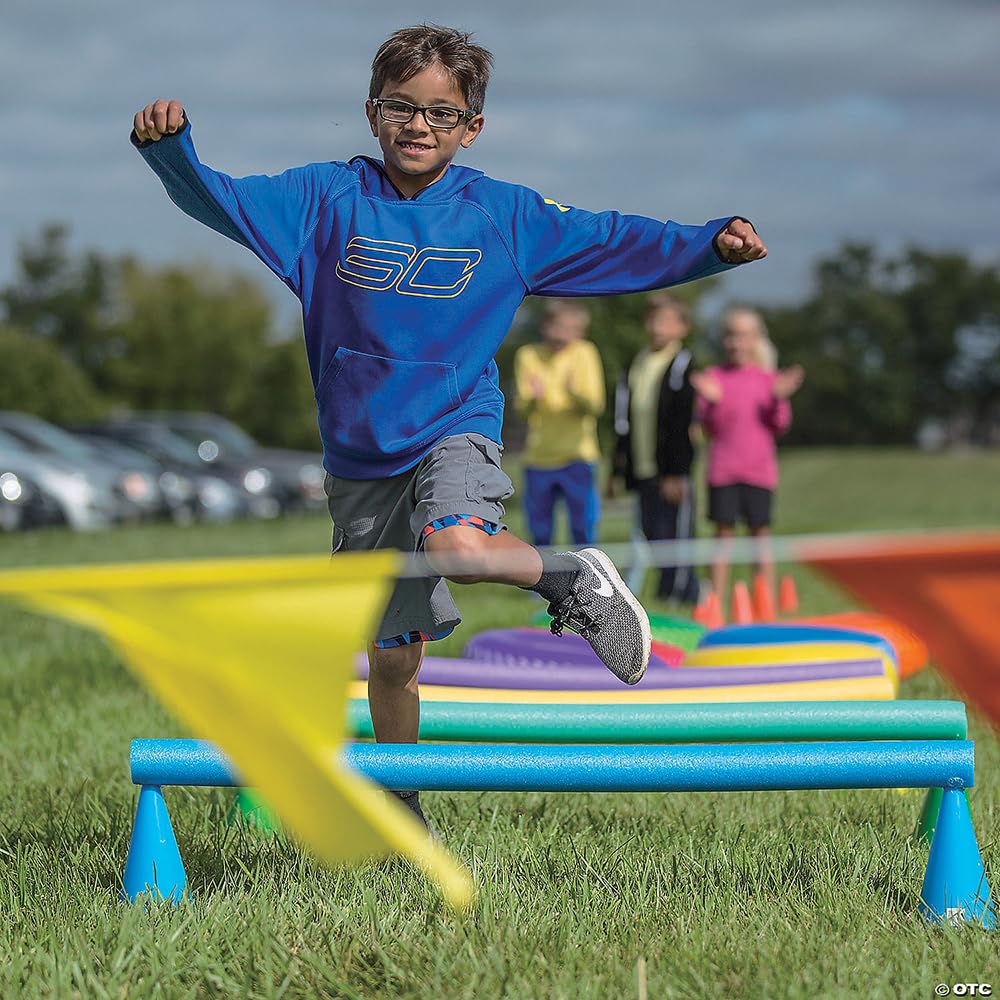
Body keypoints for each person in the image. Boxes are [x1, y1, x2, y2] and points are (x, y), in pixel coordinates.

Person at [130, 24, 767, 827]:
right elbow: (216, 200)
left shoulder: (501, 215)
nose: (418, 125)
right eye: (401, 107)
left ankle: (573, 578)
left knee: (459, 548)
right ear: (371, 113)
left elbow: (611, 240)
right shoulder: (322, 200)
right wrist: (171, 154)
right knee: (393, 663)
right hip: (360, 459)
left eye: (441, 112)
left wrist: (708, 246)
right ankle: (402, 808)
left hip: (454, 427)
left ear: (472, 128)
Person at [691, 307, 802, 606]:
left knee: (760, 539)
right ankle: (713, 606)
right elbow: (711, 427)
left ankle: (764, 605)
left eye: (743, 336)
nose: (736, 343)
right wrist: (712, 404)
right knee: (722, 539)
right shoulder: (714, 378)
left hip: (759, 473)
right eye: (730, 336)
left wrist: (778, 398)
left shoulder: (768, 380)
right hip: (723, 471)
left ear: (756, 340)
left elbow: (780, 425)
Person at [612, 293, 700, 605]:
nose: (657, 327)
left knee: (676, 534)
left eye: (666, 321)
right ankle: (677, 592)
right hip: (643, 467)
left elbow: (681, 423)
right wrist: (617, 469)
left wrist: (678, 472)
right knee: (652, 532)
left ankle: (677, 595)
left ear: (682, 327)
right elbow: (622, 420)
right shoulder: (637, 363)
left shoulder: (682, 365)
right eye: (652, 319)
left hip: (671, 470)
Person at [513, 299, 605, 547]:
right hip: (539, 457)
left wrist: (574, 392)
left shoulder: (585, 352)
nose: (567, 335)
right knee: (540, 532)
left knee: (583, 529)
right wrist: (533, 398)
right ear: (546, 325)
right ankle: (543, 586)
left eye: (574, 330)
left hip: (578, 456)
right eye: (562, 327)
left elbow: (596, 406)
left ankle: (587, 582)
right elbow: (522, 409)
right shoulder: (528, 355)